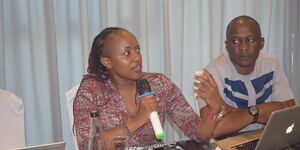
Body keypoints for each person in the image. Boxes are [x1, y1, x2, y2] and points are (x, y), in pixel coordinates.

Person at [73, 27, 229, 150]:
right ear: (107, 62)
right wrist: (138, 119)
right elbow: (88, 146)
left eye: (138, 50)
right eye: (127, 53)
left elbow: (199, 133)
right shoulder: (91, 91)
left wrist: (214, 109)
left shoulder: (159, 83)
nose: (137, 57)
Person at [194, 15, 295, 138]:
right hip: (229, 141)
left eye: (251, 40)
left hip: (264, 137)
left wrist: (234, 111)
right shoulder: (213, 72)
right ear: (227, 45)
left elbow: (289, 111)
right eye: (236, 41)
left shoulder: (271, 63)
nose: (244, 48)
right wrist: (257, 112)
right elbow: (213, 130)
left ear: (261, 43)